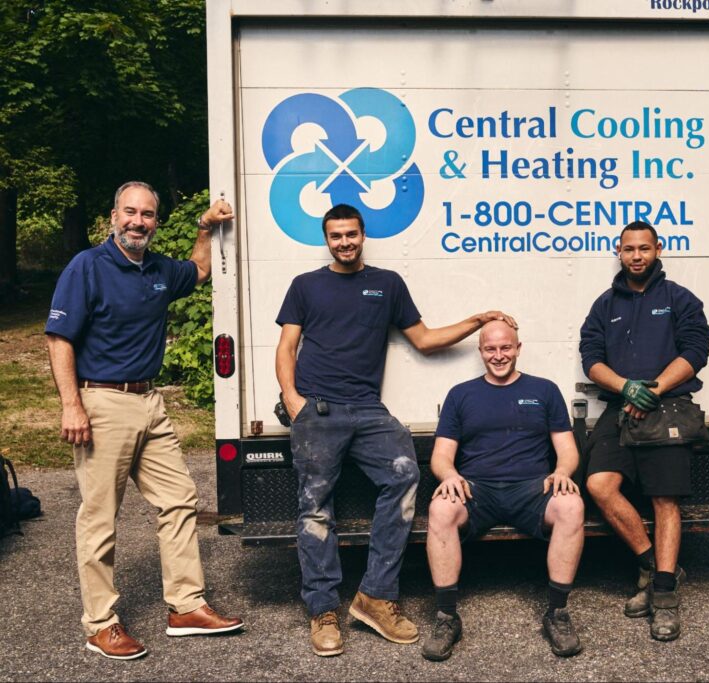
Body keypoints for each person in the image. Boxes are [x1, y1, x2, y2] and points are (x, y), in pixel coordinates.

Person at [275, 203, 516, 657]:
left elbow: (423, 339)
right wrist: (293, 399)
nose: (344, 242)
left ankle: (375, 597)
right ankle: (323, 610)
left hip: (368, 409)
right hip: (318, 409)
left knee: (404, 475)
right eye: (336, 236)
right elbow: (287, 345)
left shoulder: (386, 284)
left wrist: (477, 322)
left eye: (351, 234)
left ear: (363, 235)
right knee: (314, 505)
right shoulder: (306, 286)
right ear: (326, 240)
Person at [45, 181, 243, 660]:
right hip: (103, 402)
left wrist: (203, 227)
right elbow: (59, 339)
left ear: (156, 221)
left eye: (148, 214)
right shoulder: (87, 267)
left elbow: (197, 271)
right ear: (114, 216)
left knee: (179, 499)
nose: (138, 222)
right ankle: (100, 624)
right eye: (130, 212)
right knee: (99, 518)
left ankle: (186, 606)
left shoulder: (157, 268)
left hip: (150, 403)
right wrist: (72, 404)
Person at [579, 221, 709, 642]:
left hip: (668, 406)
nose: (636, 256)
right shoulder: (604, 304)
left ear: (658, 249)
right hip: (618, 407)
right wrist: (627, 389)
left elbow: (696, 350)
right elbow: (591, 358)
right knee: (599, 484)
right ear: (618, 252)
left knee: (664, 499)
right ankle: (652, 566)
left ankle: (666, 598)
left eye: (644, 248)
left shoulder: (679, 299)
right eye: (629, 249)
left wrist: (653, 390)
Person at [421, 320, 585, 661]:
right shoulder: (461, 394)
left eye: (506, 347)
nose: (499, 356)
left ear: (518, 348)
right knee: (440, 509)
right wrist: (449, 475)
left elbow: (567, 449)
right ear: (481, 352)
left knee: (571, 505)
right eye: (491, 349)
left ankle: (557, 613)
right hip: (477, 490)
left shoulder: (545, 390)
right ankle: (446, 616)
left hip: (532, 490)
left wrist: (561, 471)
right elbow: (441, 455)